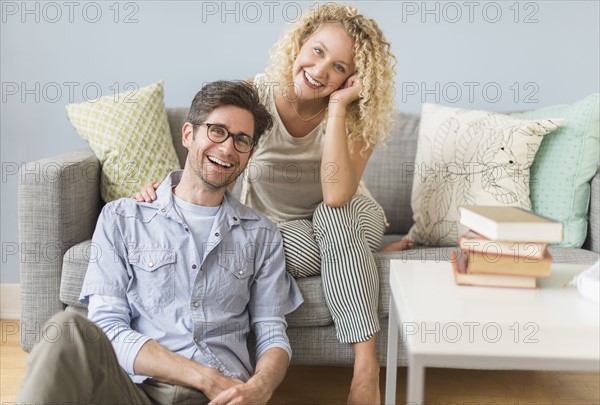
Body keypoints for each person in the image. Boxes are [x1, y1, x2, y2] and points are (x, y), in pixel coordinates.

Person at [136, 4, 399, 404]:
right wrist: (164, 191)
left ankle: (366, 369)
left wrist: (337, 109)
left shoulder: (357, 119)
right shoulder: (257, 95)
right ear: (299, 44)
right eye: (317, 51)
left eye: (340, 67)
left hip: (350, 214)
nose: (321, 70)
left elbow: (336, 195)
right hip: (283, 229)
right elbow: (216, 150)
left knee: (332, 216)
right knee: (260, 253)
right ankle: (359, 254)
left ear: (354, 78)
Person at [17, 80, 303, 404]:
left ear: (249, 154)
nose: (227, 148)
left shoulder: (261, 234)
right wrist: (203, 377)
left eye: (241, 140)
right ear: (188, 135)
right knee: (68, 328)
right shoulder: (122, 218)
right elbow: (108, 327)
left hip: (219, 397)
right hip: (136, 392)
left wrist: (260, 387)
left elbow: (271, 332)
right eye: (217, 131)